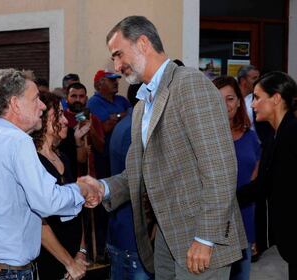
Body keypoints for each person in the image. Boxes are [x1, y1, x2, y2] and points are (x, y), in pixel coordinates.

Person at [79, 15, 246, 279]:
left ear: (143, 43)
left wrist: (206, 237)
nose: (117, 65)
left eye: (119, 54)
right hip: (168, 240)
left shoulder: (189, 84)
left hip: (200, 241)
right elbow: (140, 171)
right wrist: (104, 187)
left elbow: (221, 168)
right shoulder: (142, 105)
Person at [0, 68, 102, 280]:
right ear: (15, 103)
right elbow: (47, 202)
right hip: (5, 272)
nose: (42, 106)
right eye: (35, 99)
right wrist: (82, 188)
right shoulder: (17, 141)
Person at [238, 71, 297, 280]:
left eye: (258, 98)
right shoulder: (273, 138)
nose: (252, 105)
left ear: (276, 99)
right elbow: (261, 187)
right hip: (296, 247)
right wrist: (224, 199)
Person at [31, 92, 89, 280]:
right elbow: (38, 222)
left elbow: (77, 208)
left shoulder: (63, 157)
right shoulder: (32, 162)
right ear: (42, 120)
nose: (66, 121)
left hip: (75, 259)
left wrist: (81, 252)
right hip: (48, 259)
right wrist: (69, 264)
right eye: (59, 115)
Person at [213, 76, 261, 280]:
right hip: (212, 231)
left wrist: (256, 233)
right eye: (218, 98)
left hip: (244, 226)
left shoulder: (251, 138)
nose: (225, 105)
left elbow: (255, 187)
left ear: (239, 101)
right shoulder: (202, 139)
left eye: (230, 98)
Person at [107, 83, 154, 280]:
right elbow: (137, 180)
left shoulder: (127, 123)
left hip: (124, 229)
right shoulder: (134, 128)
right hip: (132, 233)